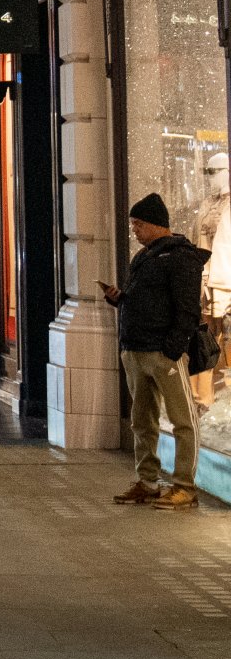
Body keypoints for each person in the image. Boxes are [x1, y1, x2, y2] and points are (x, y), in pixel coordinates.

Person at [103, 191, 209, 509]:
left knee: (182, 421)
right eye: (133, 224)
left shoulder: (180, 256)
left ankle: (184, 487)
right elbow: (145, 300)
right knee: (142, 421)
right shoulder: (145, 256)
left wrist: (173, 350)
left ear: (154, 224)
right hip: (135, 350)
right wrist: (119, 298)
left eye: (138, 224)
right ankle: (148, 481)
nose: (134, 230)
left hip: (163, 354)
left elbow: (188, 309)